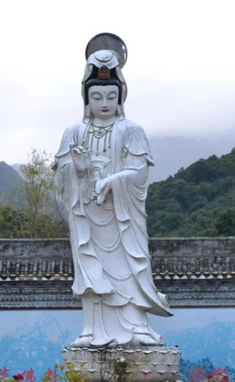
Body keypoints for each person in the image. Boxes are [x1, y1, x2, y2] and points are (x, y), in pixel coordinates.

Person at [54, 35, 172, 347]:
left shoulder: (131, 130)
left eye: (110, 95)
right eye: (96, 96)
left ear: (121, 96)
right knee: (91, 267)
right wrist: (77, 170)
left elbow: (139, 172)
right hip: (87, 218)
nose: (104, 103)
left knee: (126, 268)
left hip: (122, 220)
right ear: (86, 98)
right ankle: (92, 329)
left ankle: (136, 326)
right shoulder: (73, 132)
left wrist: (112, 181)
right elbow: (61, 177)